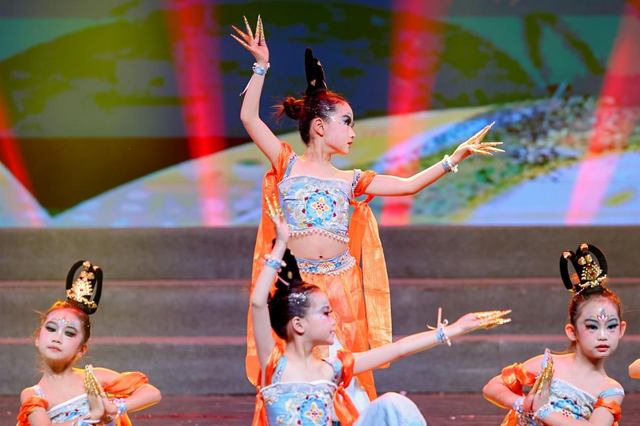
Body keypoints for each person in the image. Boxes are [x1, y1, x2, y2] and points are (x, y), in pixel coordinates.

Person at [232, 16, 504, 406]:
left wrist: (453, 158)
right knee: (296, 373)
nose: (354, 132)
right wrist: (262, 66)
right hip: (297, 285)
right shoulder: (287, 164)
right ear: (320, 127)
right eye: (347, 122)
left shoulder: (351, 180)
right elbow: (248, 118)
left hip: (340, 286)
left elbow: (408, 185)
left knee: (345, 377)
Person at [251, 200, 511, 425]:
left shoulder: (333, 367)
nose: (334, 320)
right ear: (299, 324)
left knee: (394, 404)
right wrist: (281, 244)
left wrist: (455, 329)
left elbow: (398, 350)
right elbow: (258, 303)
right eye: (326, 313)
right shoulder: (274, 364)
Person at [482, 243, 626, 425]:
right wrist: (521, 403)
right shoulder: (549, 365)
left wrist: (543, 411)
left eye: (611, 326)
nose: (603, 335)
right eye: (592, 327)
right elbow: (492, 386)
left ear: (621, 330)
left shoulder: (610, 389)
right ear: (572, 332)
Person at [17, 260, 162, 426]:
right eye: (51, 328)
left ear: (81, 349)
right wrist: (90, 418)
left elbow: (152, 393)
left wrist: (115, 408)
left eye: (69, 333)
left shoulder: (95, 378)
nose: (57, 338)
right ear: (37, 338)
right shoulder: (33, 395)